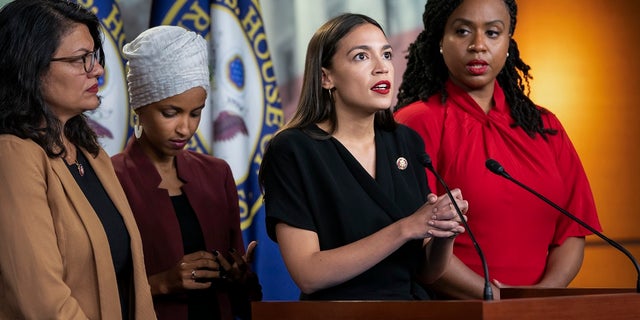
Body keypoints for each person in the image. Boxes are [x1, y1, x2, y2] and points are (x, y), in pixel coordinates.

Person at [394, 0, 601, 299]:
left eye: (492, 33)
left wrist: (540, 300)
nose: (478, 45)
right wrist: (496, 300)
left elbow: (571, 230)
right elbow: (417, 242)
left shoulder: (545, 125)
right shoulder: (415, 123)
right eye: (463, 31)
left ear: (508, 43)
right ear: (440, 39)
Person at [259, 13, 468, 301]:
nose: (382, 68)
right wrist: (406, 228)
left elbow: (426, 273)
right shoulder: (293, 150)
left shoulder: (406, 141)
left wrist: (444, 231)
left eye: (386, 54)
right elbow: (308, 274)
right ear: (326, 77)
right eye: (361, 57)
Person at [0, 0, 156, 319]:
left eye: (93, 57)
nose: (97, 69)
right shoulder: (12, 156)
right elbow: (44, 304)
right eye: (80, 59)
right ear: (30, 66)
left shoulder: (91, 151)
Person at [112, 25, 262, 320]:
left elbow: (247, 293)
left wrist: (240, 276)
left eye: (196, 113)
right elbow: (91, 287)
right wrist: (162, 283)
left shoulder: (217, 173)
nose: (186, 128)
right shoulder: (110, 178)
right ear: (139, 106)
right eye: (171, 113)